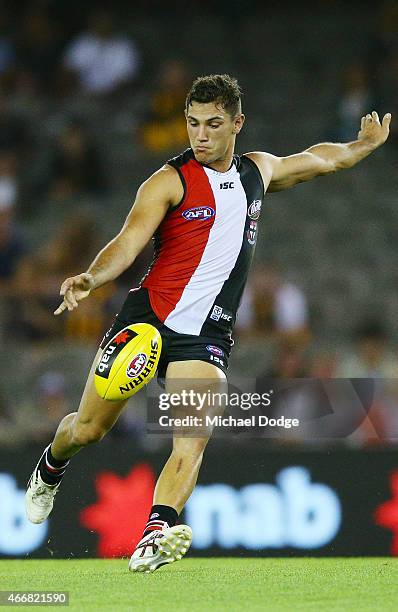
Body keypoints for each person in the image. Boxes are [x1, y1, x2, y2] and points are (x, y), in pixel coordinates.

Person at [25, 74, 391, 572]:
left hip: (205, 335)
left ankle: (156, 530)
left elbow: (320, 159)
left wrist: (362, 145)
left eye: (213, 124)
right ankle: (50, 467)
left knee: (192, 437)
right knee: (87, 430)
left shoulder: (258, 172)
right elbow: (129, 241)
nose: (201, 135)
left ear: (237, 124)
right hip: (147, 322)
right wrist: (92, 276)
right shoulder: (168, 181)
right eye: (193, 123)